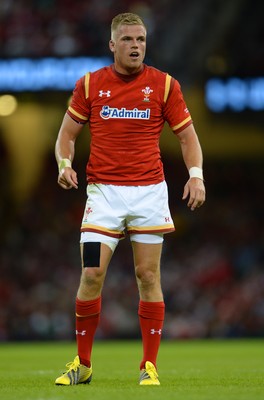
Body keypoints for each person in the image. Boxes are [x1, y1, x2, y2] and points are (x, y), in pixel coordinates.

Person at [54, 12, 205, 386]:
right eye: (127, 40)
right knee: (91, 274)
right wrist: (63, 163)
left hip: (149, 193)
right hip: (103, 194)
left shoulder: (165, 85)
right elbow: (66, 135)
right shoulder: (90, 85)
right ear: (112, 44)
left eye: (140, 40)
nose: (135, 46)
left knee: (148, 275)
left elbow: (187, 137)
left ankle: (148, 366)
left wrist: (196, 177)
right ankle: (83, 364)